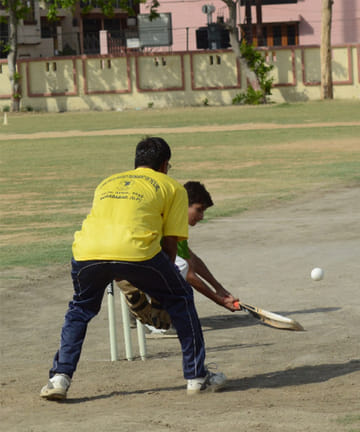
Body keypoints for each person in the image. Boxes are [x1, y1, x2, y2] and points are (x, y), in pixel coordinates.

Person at [40, 137, 227, 400]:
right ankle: (197, 376)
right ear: (164, 165)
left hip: (86, 252)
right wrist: (162, 291)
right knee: (182, 298)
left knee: (80, 310)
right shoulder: (172, 187)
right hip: (137, 253)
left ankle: (59, 378)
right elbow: (170, 244)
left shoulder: (107, 182)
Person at [118, 181, 239, 337]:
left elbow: (191, 258)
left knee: (178, 264)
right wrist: (219, 300)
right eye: (199, 210)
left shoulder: (175, 218)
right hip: (127, 261)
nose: (201, 216)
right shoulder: (170, 218)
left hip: (134, 262)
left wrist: (219, 288)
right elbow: (188, 274)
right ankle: (157, 323)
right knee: (178, 266)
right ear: (184, 205)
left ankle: (140, 307)